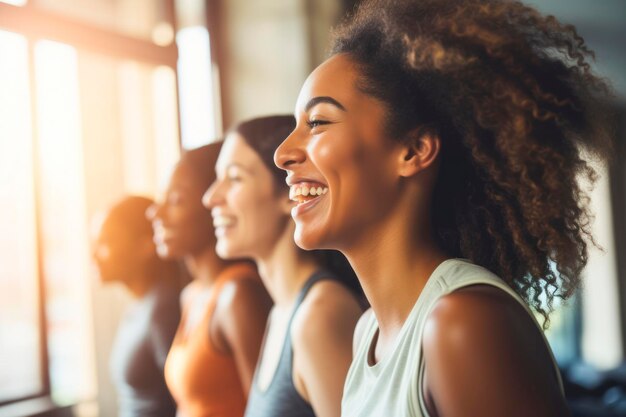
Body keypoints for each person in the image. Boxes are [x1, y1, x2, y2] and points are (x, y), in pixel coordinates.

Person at [274, 0, 614, 416]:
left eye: (318, 122)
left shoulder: (463, 322)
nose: (283, 154)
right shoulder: (368, 335)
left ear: (414, 151)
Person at [203, 115, 364, 417]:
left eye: (234, 178)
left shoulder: (320, 313)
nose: (211, 197)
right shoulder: (282, 311)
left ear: (289, 192)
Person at [147, 143, 272, 417]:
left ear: (214, 203)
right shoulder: (191, 295)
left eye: (176, 200)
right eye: (160, 200)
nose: (155, 213)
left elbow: (264, 410)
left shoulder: (237, 295)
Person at [92, 195, 181, 417]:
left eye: (105, 242)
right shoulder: (138, 308)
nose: (93, 255)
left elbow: (182, 399)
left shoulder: (163, 309)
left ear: (145, 246)